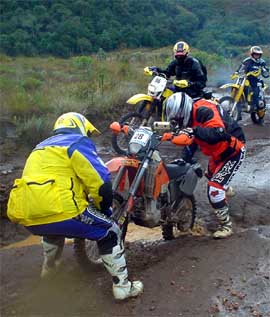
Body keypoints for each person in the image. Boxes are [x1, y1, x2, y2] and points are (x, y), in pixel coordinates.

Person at [7, 112, 143, 300]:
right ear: (79, 126)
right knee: (110, 231)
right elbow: (101, 183)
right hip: (64, 210)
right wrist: (104, 211)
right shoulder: (77, 142)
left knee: (53, 228)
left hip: (29, 214)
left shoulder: (39, 148)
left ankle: (50, 272)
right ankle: (123, 287)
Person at [162, 92, 246, 238]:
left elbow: (217, 132)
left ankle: (226, 226)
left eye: (179, 119)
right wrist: (185, 158)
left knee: (214, 190)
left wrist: (194, 131)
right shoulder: (189, 118)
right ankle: (224, 188)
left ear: (185, 111)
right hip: (217, 154)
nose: (178, 122)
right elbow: (190, 141)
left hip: (233, 150)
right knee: (211, 177)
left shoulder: (204, 111)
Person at [234, 46, 269, 119]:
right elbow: (241, 68)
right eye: (255, 54)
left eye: (258, 54)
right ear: (252, 54)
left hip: (257, 81)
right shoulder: (247, 61)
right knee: (242, 88)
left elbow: (265, 70)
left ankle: (257, 106)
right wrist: (236, 72)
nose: (257, 55)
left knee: (256, 94)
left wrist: (265, 71)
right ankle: (241, 103)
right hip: (246, 79)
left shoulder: (261, 62)